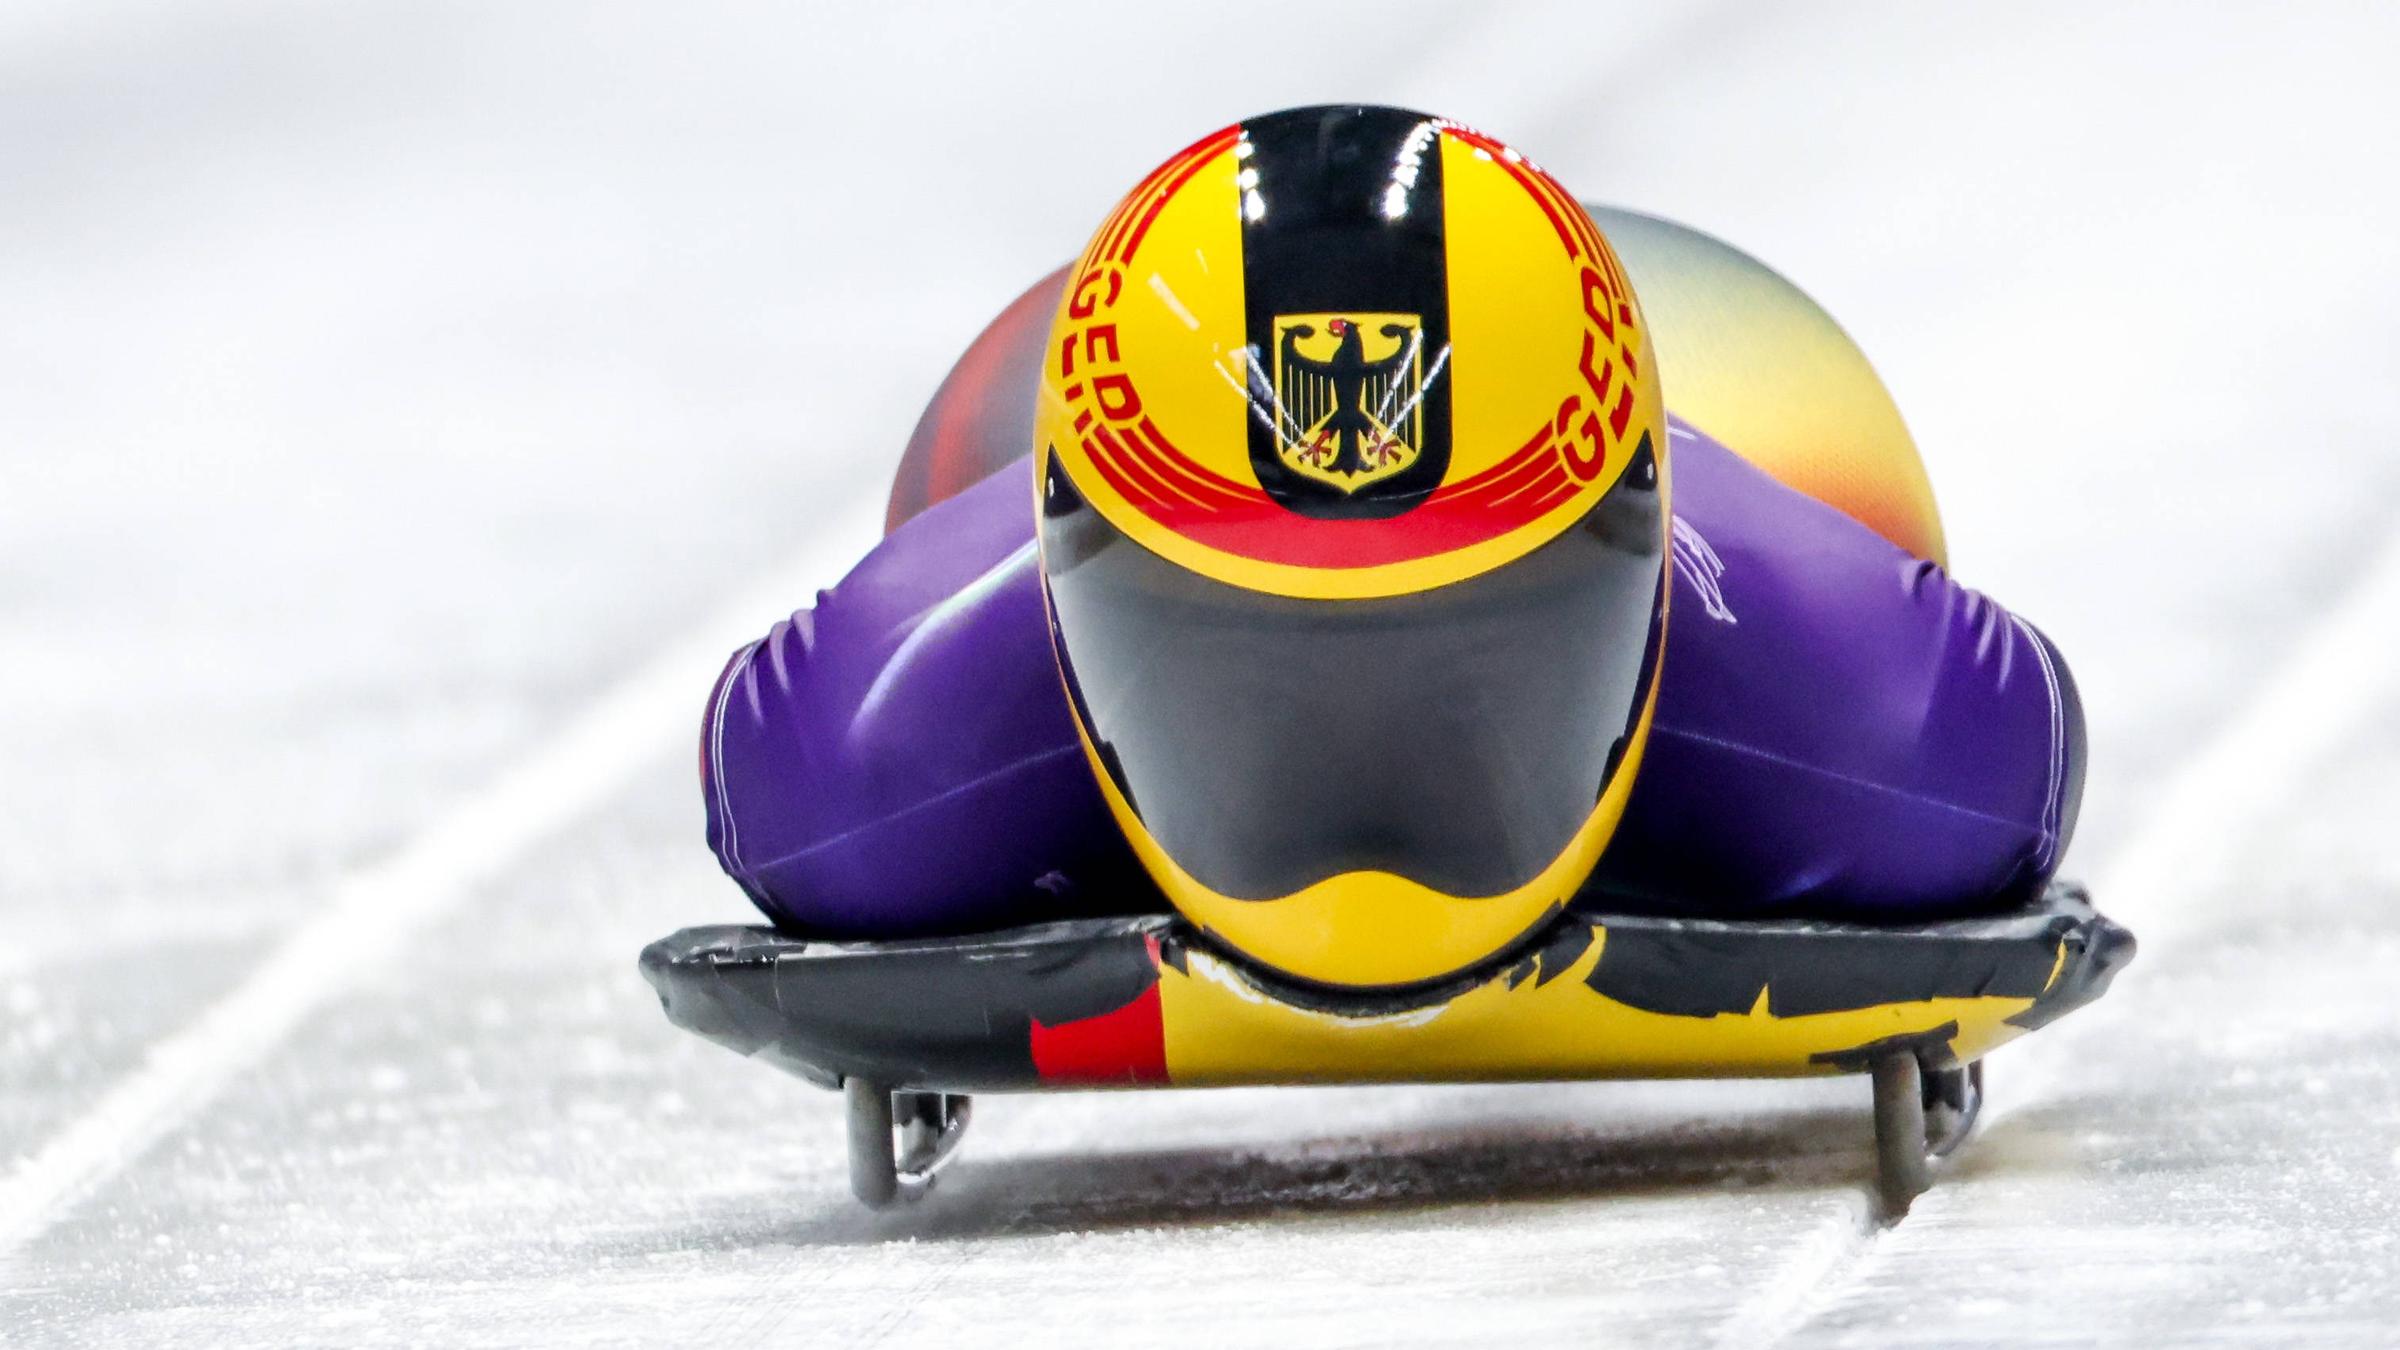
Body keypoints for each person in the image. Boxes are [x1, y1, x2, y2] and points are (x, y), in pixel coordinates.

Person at [697, 105, 2083, 992]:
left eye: (1464, 651)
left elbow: (754, 769)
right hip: (1093, 464)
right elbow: (2025, 746)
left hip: (1672, 453)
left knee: (1842, 468)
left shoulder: (861, 783)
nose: (1361, 796)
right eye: (1255, 657)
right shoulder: (1912, 758)